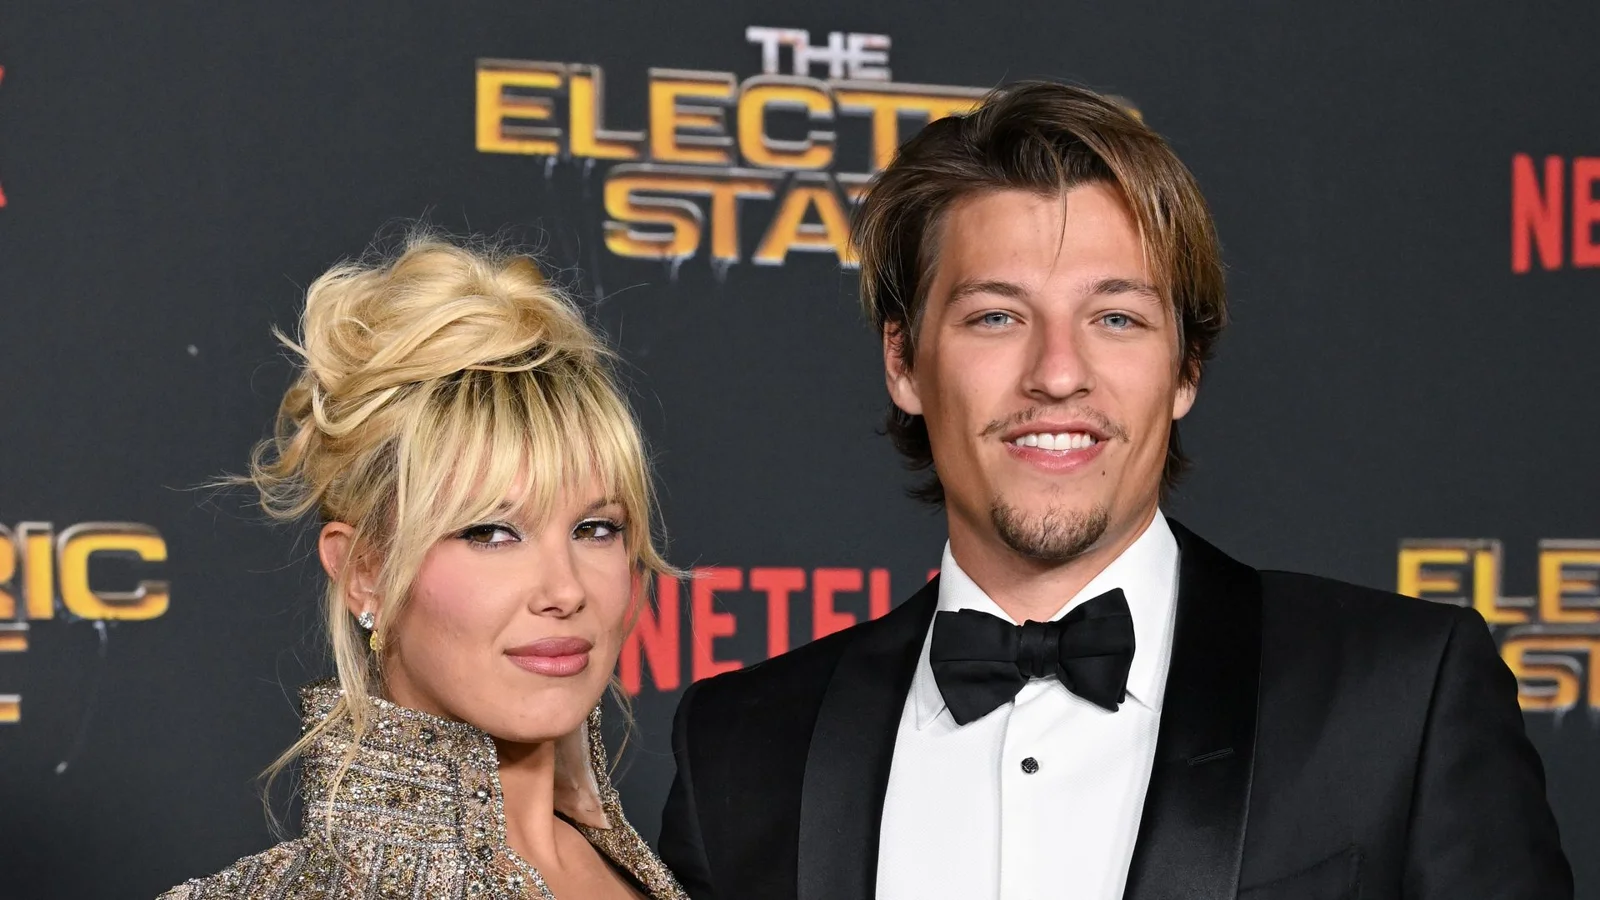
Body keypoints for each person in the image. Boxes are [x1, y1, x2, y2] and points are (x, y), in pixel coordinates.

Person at [657, 82, 1571, 900]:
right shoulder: (741, 747)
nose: (1059, 373)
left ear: (1186, 369)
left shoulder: (1400, 699)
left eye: (1116, 318)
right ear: (904, 362)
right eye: (997, 316)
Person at [162, 236, 687, 899]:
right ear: (365, 572)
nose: (564, 590)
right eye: (491, 533)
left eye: (595, 529)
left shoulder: (665, 871)